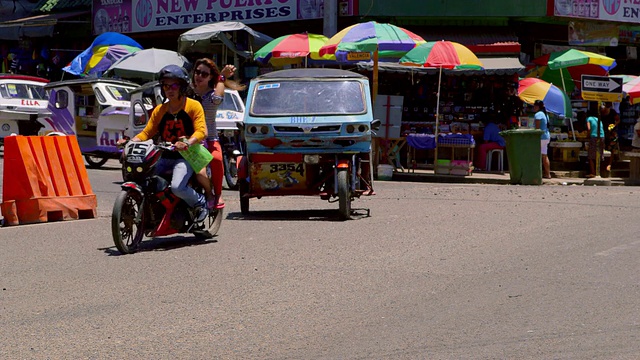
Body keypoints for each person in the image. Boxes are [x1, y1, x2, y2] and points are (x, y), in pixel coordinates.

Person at [118, 65, 209, 222]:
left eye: (174, 85)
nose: (169, 89)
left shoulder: (194, 106)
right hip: (164, 154)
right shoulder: (160, 110)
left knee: (177, 187)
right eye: (166, 86)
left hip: (187, 155)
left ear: (182, 86)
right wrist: (129, 142)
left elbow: (201, 131)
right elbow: (147, 133)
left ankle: (201, 204)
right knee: (143, 178)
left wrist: (187, 141)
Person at [190, 58, 246, 209]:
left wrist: (222, 77)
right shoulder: (186, 92)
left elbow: (217, 98)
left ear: (210, 78)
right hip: (188, 139)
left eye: (204, 74)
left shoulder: (210, 97)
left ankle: (217, 194)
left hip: (209, 138)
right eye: (197, 72)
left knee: (216, 159)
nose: (199, 76)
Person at [533, 100, 551, 179]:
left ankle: (536, 174)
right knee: (544, 156)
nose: (534, 107)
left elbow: (537, 129)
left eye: (535, 106)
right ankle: (547, 174)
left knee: (536, 156)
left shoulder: (538, 114)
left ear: (538, 106)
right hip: (546, 137)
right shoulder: (545, 114)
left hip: (540, 137)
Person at [600, 101, 620, 171]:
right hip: (603, 131)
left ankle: (609, 164)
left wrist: (614, 125)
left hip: (611, 132)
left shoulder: (612, 112)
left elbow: (618, 120)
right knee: (602, 147)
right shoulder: (601, 111)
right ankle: (602, 162)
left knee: (612, 148)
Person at [585, 106, 605, 178]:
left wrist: (587, 136)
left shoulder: (589, 119)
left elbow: (589, 128)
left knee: (591, 156)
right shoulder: (598, 119)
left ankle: (592, 172)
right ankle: (599, 172)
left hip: (594, 137)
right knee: (599, 154)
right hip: (602, 136)